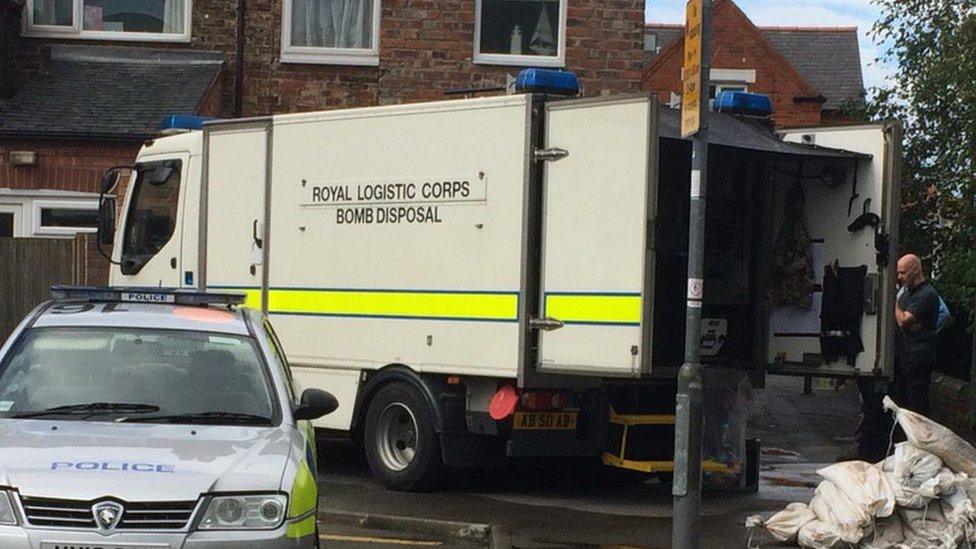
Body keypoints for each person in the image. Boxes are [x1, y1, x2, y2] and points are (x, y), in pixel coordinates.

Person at [892, 253, 941, 416]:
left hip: (918, 358)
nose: (899, 277)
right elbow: (905, 323)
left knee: (917, 404)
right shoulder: (908, 294)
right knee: (902, 403)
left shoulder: (926, 294)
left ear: (916, 271)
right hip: (905, 356)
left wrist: (894, 304)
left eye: (903, 272)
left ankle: (920, 440)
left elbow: (904, 321)